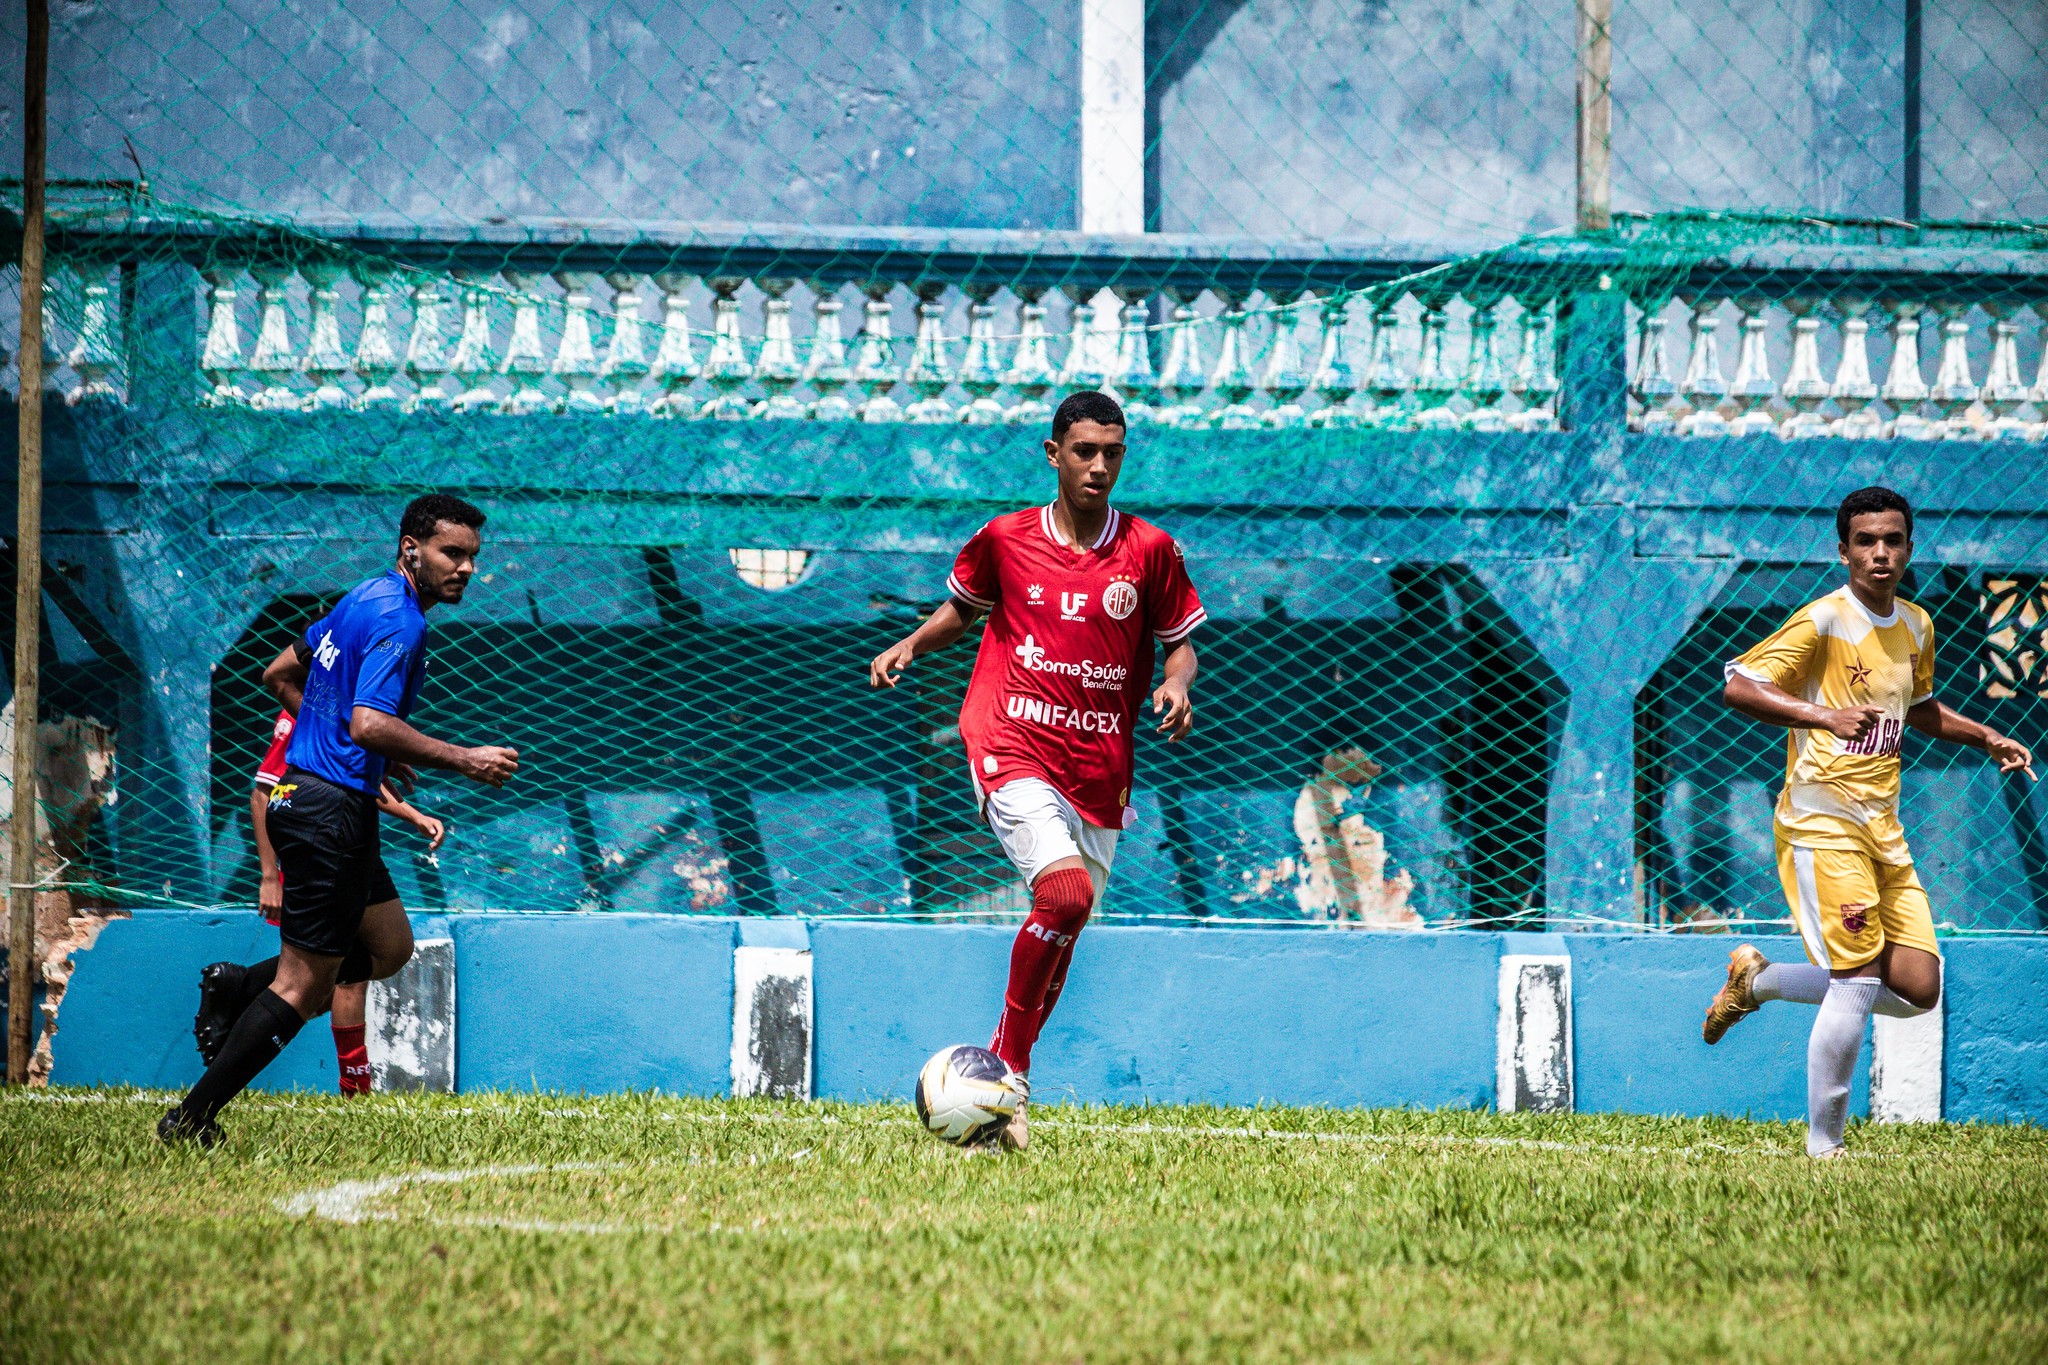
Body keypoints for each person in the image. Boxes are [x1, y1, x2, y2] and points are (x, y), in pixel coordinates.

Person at [869, 390, 1205, 1151]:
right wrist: (911, 646)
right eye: (1084, 451)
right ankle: (1006, 1069)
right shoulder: (1005, 538)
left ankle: (1002, 1089)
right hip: (1009, 737)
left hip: (1098, 763)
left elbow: (1179, 639)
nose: (1098, 466)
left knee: (1068, 919)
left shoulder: (1150, 551)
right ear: (1053, 455)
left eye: (1112, 453)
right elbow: (967, 606)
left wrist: (1177, 681)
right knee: (1063, 891)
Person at [160, 494, 520, 1146]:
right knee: (302, 988)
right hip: (327, 812)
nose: (465, 567)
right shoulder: (401, 622)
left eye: (472, 556)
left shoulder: (364, 597)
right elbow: (370, 722)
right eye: (452, 553)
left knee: (388, 947)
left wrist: (357, 748)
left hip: (320, 803)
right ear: (411, 548)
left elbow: (278, 673)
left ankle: (238, 982)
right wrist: (462, 757)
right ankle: (190, 1119)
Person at [1702, 486, 2034, 1157]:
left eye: (1891, 541)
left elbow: (1918, 706)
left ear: (1909, 548)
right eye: (1864, 541)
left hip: (1883, 827)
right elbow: (1738, 681)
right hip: (1822, 820)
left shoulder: (1915, 624)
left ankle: (1757, 982)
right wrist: (1823, 715)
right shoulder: (1824, 619)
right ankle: (1825, 1150)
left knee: (1915, 986)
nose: (1879, 554)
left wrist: (1985, 736)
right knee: (1857, 976)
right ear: (1843, 549)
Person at [192, 707, 447, 1096]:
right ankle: (353, 1083)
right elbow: (263, 793)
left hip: (352, 833)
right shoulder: (310, 706)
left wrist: (411, 814)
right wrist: (268, 876)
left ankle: (240, 986)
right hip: (322, 837)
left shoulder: (356, 705)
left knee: (376, 954)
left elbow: (356, 776)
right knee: (322, 977)